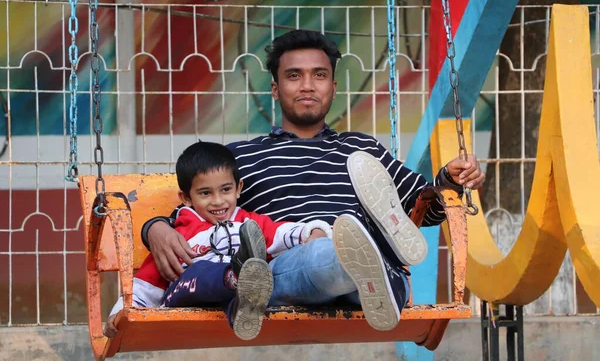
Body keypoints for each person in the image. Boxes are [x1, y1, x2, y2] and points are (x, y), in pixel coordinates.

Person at [141, 29, 485, 331]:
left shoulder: (361, 150)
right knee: (318, 254)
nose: (307, 85)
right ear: (275, 89)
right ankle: (372, 266)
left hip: (354, 283)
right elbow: (201, 211)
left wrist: (450, 183)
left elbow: (425, 209)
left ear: (333, 88)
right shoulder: (240, 158)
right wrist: (154, 228)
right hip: (292, 267)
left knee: (346, 255)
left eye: (319, 75)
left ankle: (373, 265)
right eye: (294, 76)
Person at [103, 141, 332, 340]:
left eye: (225, 190)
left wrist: (312, 232)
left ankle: (242, 307)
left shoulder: (247, 224)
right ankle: (237, 276)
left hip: (230, 298)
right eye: (205, 193)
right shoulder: (178, 235)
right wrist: (121, 312)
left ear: (238, 188)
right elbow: (146, 284)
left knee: (244, 282)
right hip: (186, 292)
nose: (218, 201)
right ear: (186, 198)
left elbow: (280, 232)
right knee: (200, 270)